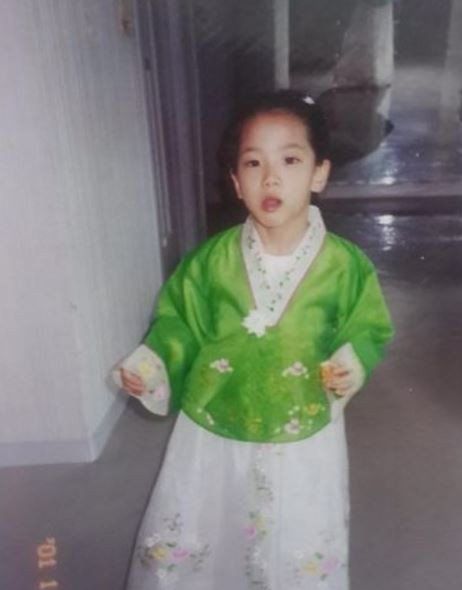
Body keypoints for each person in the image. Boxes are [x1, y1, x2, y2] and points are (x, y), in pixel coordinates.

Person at [113, 90, 393, 590]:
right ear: (235, 182)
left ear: (320, 173)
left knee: (297, 532)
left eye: (290, 160)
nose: (271, 178)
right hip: (215, 421)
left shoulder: (345, 265)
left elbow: (367, 326)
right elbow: (179, 322)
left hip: (301, 424)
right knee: (208, 517)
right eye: (253, 162)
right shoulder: (209, 263)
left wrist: (352, 361)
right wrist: (152, 363)